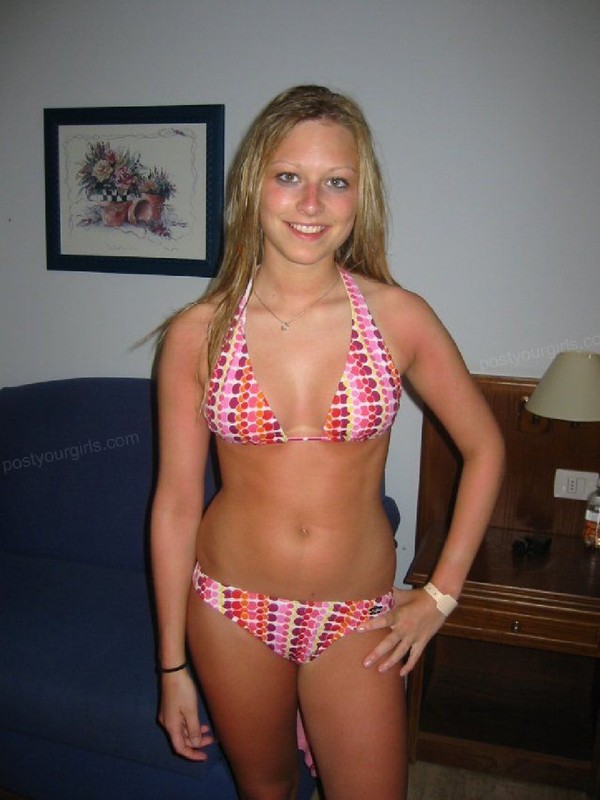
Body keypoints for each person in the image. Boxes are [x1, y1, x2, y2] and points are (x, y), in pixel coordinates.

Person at [150, 84, 505, 800]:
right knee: (267, 790)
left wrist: (440, 595)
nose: (311, 203)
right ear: (252, 186)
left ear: (359, 196)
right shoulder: (197, 331)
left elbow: (486, 447)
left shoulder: (399, 317)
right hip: (230, 608)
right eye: (289, 176)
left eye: (336, 182)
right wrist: (172, 668)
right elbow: (177, 504)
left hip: (355, 615)